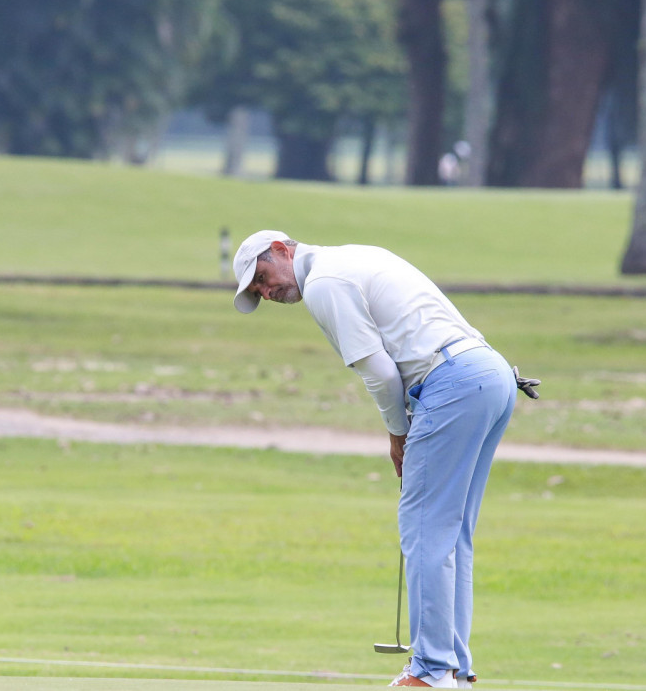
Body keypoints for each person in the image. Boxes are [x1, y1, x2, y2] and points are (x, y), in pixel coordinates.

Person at [231, 231, 539, 688]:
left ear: (281, 249)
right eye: (256, 291)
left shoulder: (322, 283)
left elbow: (378, 371)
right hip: (490, 373)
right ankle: (454, 667)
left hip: (452, 382)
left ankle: (431, 670)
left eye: (261, 278)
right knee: (452, 534)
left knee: (424, 530)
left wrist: (398, 434)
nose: (265, 291)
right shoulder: (356, 256)